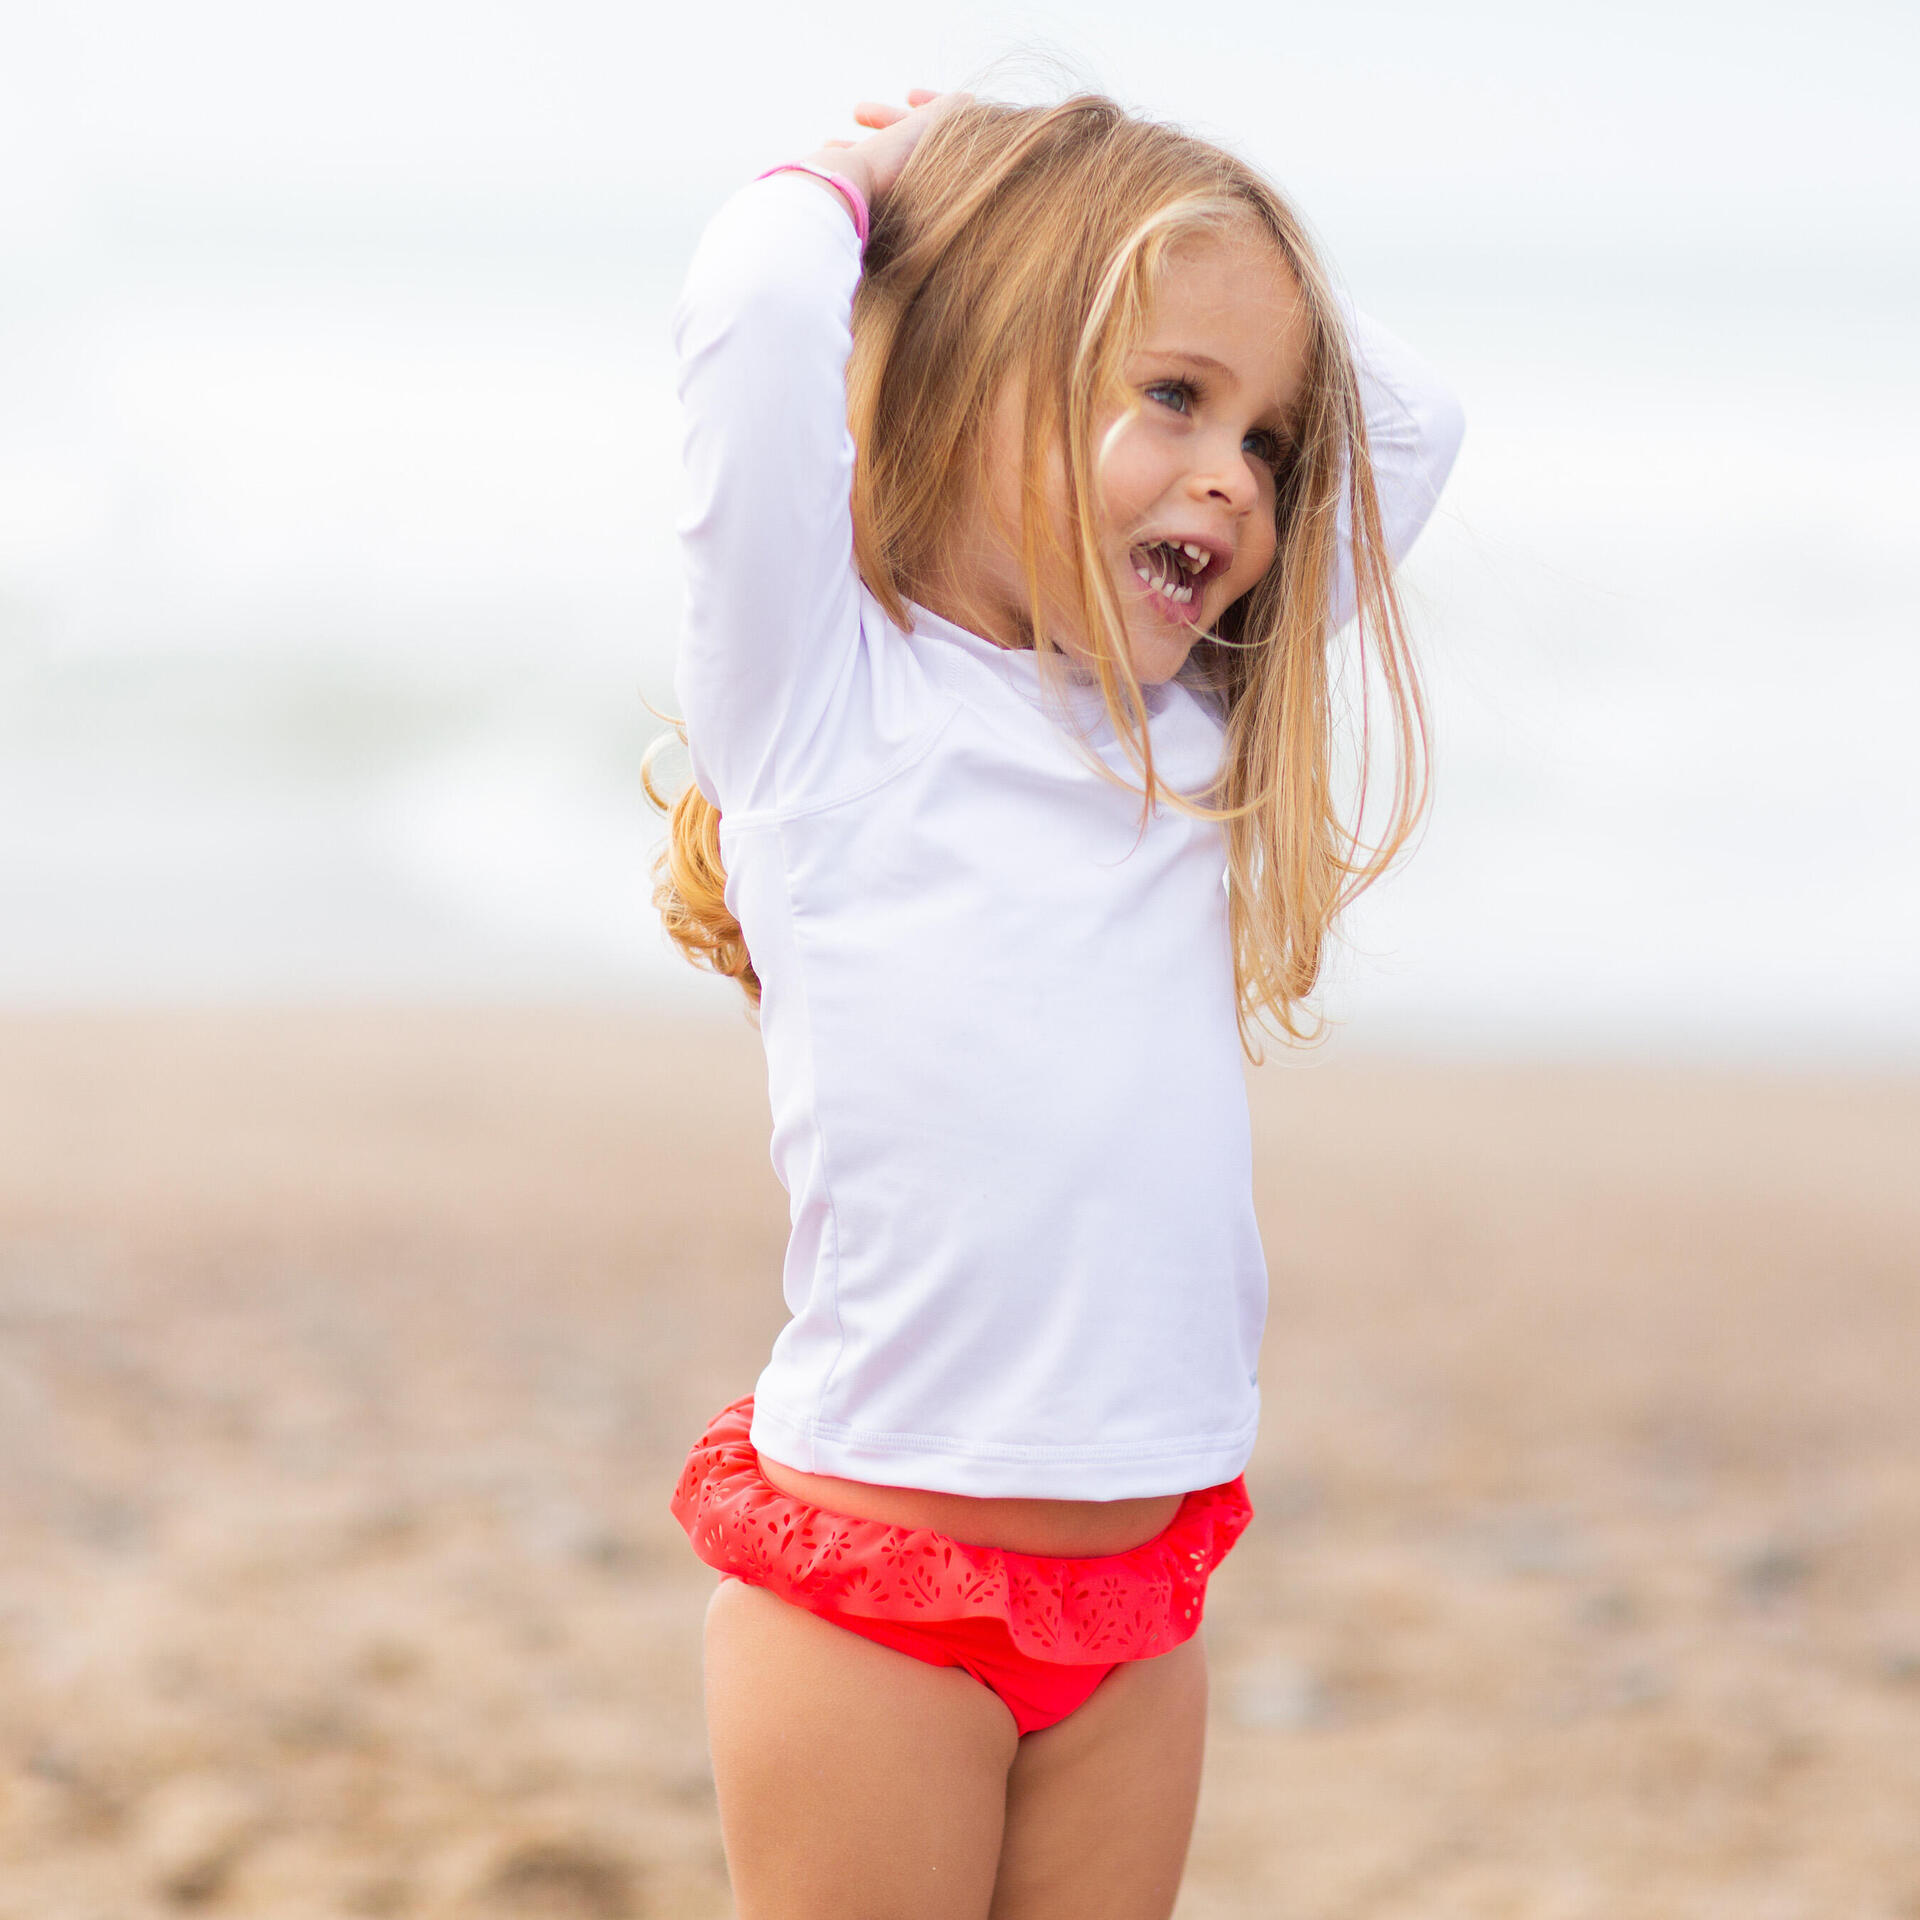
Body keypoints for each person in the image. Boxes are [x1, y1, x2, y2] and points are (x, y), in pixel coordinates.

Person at [642, 85, 1465, 1920]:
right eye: (1169, 396)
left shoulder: (1185, 734)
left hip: (1136, 1603)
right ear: (982, 374)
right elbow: (759, 321)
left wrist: (1176, 230)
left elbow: (1415, 421)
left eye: (1259, 435)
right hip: (873, 1592)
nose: (1235, 477)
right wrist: (887, 179)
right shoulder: (824, 706)